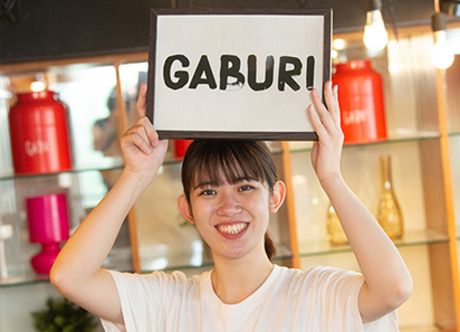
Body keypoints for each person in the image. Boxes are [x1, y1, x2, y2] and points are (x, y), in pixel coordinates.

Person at [50, 81, 413, 331]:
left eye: (245, 187)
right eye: (208, 192)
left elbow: (394, 288)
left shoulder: (316, 294)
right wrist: (136, 174)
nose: (228, 206)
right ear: (187, 209)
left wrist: (331, 176)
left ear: (275, 197)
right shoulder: (166, 300)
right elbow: (70, 276)